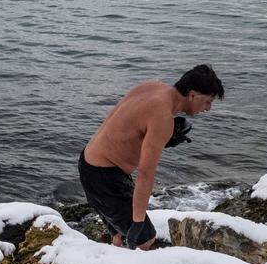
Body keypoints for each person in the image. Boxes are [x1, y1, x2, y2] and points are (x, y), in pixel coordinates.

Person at [79, 65, 224, 250]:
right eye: (208, 102)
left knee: (119, 232)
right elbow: (146, 174)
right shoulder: (162, 118)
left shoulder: (154, 87)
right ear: (192, 95)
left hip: (88, 161)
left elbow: (125, 122)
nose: (208, 108)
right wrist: (138, 222)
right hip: (104, 176)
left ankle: (112, 257)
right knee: (144, 239)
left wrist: (162, 139)